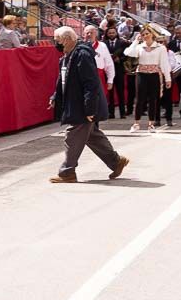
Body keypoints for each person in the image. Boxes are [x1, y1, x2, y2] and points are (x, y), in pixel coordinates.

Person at [49, 26, 129, 183]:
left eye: (57, 40)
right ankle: (116, 162)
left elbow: (91, 84)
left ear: (66, 40)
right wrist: (55, 96)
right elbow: (62, 80)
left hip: (84, 106)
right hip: (77, 104)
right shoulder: (66, 56)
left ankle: (67, 172)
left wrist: (90, 108)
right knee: (93, 137)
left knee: (72, 136)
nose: (55, 44)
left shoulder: (82, 55)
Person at [127, 27, 171, 133]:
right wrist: (136, 41)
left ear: (152, 34)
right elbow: (128, 53)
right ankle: (136, 123)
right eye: (143, 34)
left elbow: (164, 63)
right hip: (141, 73)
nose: (145, 36)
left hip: (154, 74)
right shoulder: (139, 47)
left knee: (153, 99)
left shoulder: (160, 47)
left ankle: (151, 124)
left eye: (147, 34)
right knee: (139, 99)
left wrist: (168, 78)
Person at [102, 25, 130, 118]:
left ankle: (122, 113)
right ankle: (111, 113)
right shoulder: (104, 44)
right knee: (110, 93)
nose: (111, 34)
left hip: (119, 70)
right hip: (108, 71)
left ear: (116, 33)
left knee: (120, 92)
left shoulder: (122, 43)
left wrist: (120, 59)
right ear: (107, 34)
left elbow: (126, 55)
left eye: (113, 32)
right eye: (109, 33)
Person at [84, 25, 115, 98]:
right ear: (83, 34)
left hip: (99, 77)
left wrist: (110, 80)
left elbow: (109, 64)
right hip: (84, 76)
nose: (89, 35)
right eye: (87, 33)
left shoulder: (102, 46)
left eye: (92, 33)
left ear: (96, 34)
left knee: (100, 100)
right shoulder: (79, 46)